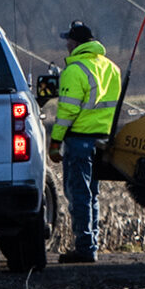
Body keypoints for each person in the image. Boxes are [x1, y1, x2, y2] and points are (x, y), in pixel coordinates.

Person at [50, 22, 123, 264]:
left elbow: (66, 112)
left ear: (76, 42)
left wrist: (55, 142)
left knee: (78, 194)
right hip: (101, 140)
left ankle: (85, 248)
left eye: (68, 40)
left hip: (79, 139)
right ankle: (92, 243)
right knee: (92, 195)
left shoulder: (74, 70)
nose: (66, 45)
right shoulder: (112, 69)